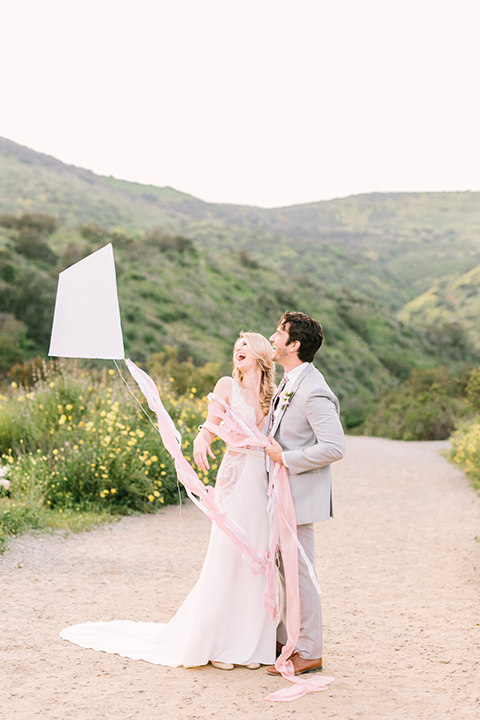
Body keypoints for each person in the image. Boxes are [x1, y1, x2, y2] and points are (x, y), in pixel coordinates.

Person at [60, 332, 277, 671]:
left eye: (246, 345)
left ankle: (250, 646)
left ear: (261, 355)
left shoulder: (272, 395)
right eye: (237, 345)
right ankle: (218, 643)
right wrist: (200, 441)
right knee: (228, 553)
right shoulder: (225, 386)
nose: (239, 349)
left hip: (261, 478)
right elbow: (210, 425)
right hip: (234, 475)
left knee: (256, 556)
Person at [264, 311, 345, 677]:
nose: (272, 337)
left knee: (300, 574)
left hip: (298, 496)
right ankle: (287, 640)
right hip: (280, 495)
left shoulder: (313, 389)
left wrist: (287, 458)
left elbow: (334, 446)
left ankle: (310, 650)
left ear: (294, 345)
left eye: (279, 332)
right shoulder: (289, 380)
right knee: (284, 572)